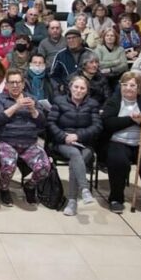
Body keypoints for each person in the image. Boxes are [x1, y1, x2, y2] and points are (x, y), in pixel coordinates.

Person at [102, 71, 141, 217]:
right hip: (119, 141)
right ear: (120, 86)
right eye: (125, 84)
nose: (128, 88)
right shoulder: (113, 102)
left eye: (132, 85)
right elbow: (108, 123)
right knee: (118, 162)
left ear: (138, 87)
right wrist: (131, 120)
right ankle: (116, 198)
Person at [0, 68, 50, 207]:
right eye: (12, 82)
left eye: (18, 82)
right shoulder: (0, 98)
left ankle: (30, 186)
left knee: (44, 167)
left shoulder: (32, 99)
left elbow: (42, 123)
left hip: (29, 143)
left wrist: (33, 110)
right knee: (8, 165)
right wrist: (16, 106)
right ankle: (4, 189)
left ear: (23, 84)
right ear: (6, 85)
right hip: (7, 142)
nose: (15, 85)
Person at [48, 75, 101, 216]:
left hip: (84, 143)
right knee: (74, 154)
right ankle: (84, 189)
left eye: (82, 88)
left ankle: (72, 202)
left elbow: (97, 126)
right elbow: (51, 123)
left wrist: (78, 136)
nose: (78, 90)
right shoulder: (59, 101)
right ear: (70, 88)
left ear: (87, 91)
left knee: (76, 162)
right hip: (62, 142)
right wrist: (64, 137)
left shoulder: (93, 104)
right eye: (76, 87)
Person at [50, 28, 93, 95]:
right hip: (66, 91)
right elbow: (53, 75)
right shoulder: (60, 55)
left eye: (74, 38)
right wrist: (60, 86)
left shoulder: (90, 53)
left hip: (88, 90)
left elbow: (97, 72)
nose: (71, 40)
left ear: (80, 40)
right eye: (68, 38)